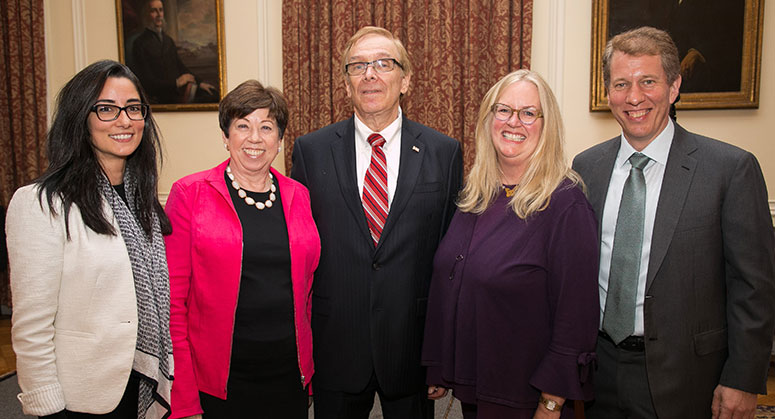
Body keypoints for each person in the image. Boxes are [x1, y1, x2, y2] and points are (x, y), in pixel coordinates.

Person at [572, 27, 775, 418]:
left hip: (689, 378)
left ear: (674, 85)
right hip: (599, 372)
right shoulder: (586, 168)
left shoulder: (729, 170)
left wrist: (744, 378)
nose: (634, 97)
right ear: (608, 91)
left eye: (648, 81)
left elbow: (755, 287)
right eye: (621, 84)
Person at [291, 26, 463, 419]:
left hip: (412, 348)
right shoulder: (311, 151)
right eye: (358, 66)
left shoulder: (444, 152)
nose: (370, 74)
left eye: (384, 63)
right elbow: (299, 252)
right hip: (335, 347)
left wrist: (441, 353)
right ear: (346, 83)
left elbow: (452, 262)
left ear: (406, 80)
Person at [421, 69, 600, 419]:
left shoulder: (565, 204)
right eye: (503, 110)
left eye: (528, 113)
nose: (514, 122)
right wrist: (438, 362)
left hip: (527, 398)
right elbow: (451, 277)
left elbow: (575, 316)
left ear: (546, 125)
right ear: (489, 119)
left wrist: (551, 403)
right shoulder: (477, 195)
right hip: (477, 390)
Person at [6, 59, 173, 418]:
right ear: (81, 118)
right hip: (80, 397)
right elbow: (31, 327)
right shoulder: (41, 203)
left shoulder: (143, 201)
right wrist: (47, 406)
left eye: (133, 108)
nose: (124, 120)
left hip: (139, 382)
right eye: (106, 109)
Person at [164, 80, 320, 419]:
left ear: (279, 140)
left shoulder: (299, 196)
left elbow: (306, 292)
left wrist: (307, 376)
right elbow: (173, 302)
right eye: (242, 126)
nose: (254, 138)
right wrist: (184, 396)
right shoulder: (190, 194)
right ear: (225, 136)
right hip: (219, 381)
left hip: (287, 376)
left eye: (266, 127)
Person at [130, 0, 217, 104]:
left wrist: (200, 83)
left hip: (176, 92)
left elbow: (180, 66)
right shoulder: (140, 43)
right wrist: (176, 83)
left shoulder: (168, 41)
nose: (158, 15)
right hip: (160, 96)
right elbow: (147, 81)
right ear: (146, 15)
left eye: (161, 10)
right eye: (154, 11)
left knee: (212, 95)